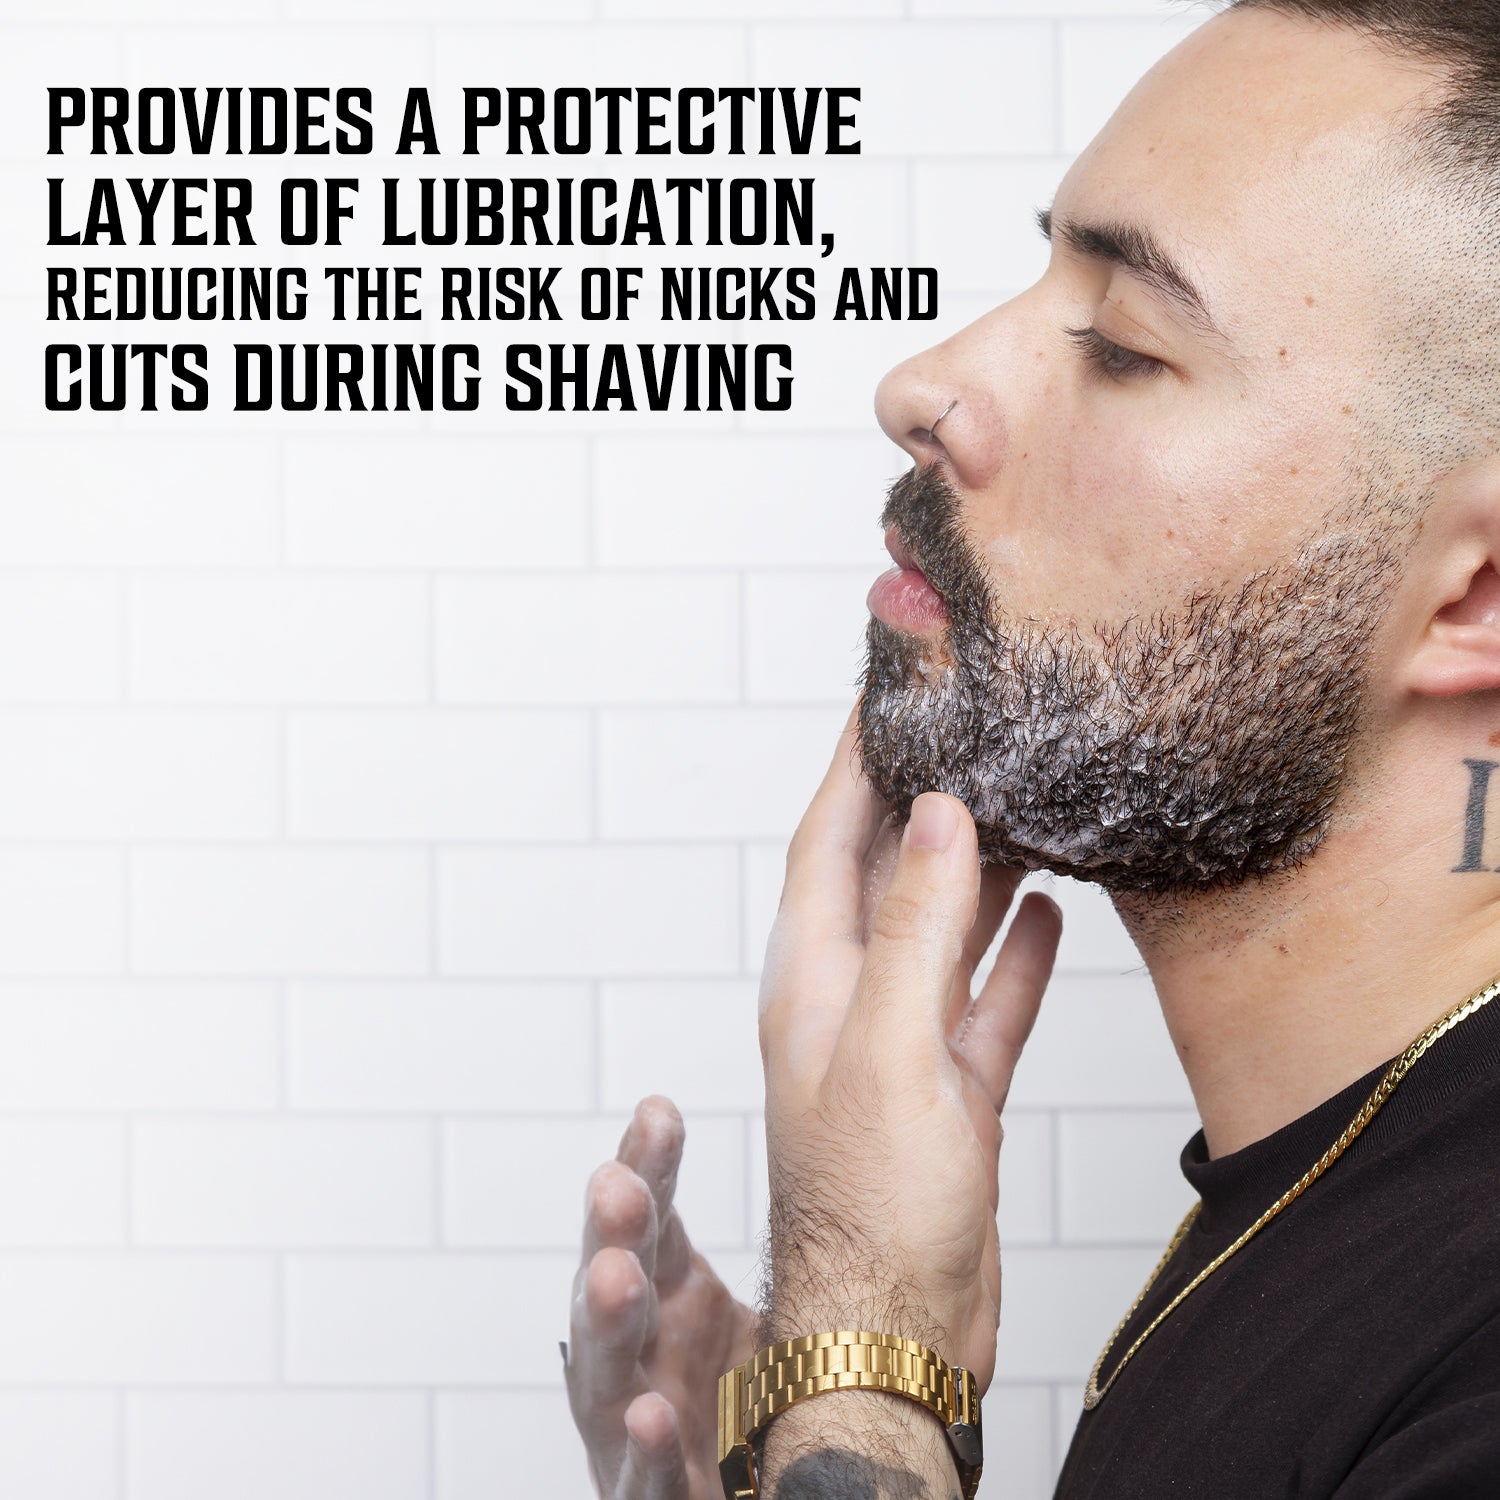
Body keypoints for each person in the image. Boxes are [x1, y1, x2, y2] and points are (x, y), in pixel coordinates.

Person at [566, 1, 1500, 1494]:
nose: (921, 386)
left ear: (1474, 595)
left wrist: (867, 1353)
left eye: (1123, 346)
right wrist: (811, 1444)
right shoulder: (1339, 1204)